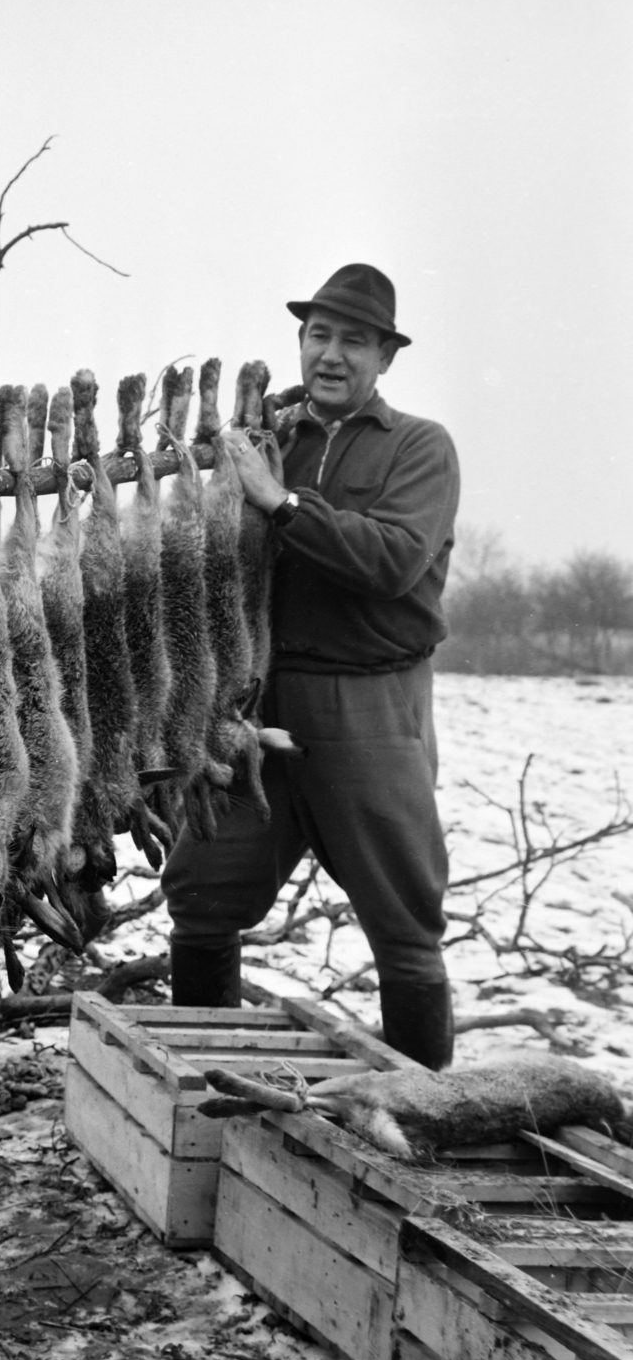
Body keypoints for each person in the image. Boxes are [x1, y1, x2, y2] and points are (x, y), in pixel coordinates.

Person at [161, 263, 461, 1070]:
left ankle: (429, 1116)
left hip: (370, 704)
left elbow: (394, 561)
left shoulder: (418, 448)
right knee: (202, 888)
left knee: (404, 915)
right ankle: (198, 1093)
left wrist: (282, 503)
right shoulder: (273, 439)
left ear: (386, 358)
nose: (332, 355)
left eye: (354, 341)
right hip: (256, 700)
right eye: (319, 335)